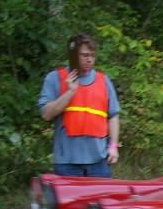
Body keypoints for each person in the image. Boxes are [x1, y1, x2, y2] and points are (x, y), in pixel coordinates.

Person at [38, 33, 120, 177]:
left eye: (92, 55)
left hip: (99, 163)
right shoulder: (55, 78)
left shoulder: (104, 81)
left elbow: (113, 116)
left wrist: (113, 146)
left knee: (102, 200)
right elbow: (46, 114)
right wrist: (70, 92)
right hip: (66, 164)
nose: (89, 60)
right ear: (73, 56)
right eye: (84, 55)